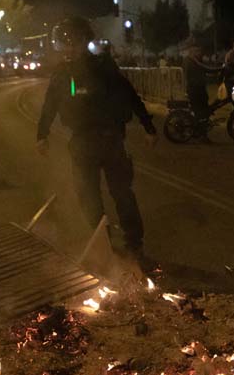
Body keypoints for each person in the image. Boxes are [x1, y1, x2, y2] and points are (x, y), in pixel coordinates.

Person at [36, 17, 158, 257]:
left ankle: (134, 242)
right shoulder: (61, 73)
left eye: (73, 42)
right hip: (81, 142)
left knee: (122, 193)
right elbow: (50, 104)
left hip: (111, 140)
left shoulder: (104, 67)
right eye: (63, 43)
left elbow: (129, 94)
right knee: (88, 197)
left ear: (84, 41)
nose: (68, 48)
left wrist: (148, 126)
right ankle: (102, 241)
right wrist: (42, 134)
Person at [181, 38, 222, 130]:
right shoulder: (190, 61)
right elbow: (205, 68)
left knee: (203, 111)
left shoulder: (192, 60)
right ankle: (200, 133)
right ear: (191, 51)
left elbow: (205, 69)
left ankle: (200, 131)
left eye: (199, 50)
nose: (199, 52)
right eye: (197, 51)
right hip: (195, 90)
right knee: (201, 113)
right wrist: (220, 69)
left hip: (198, 89)